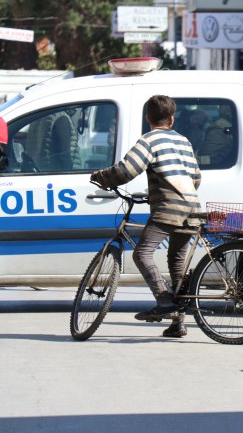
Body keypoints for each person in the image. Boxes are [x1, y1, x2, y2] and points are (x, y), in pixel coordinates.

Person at [90, 95, 201, 339]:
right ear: (171, 118)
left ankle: (164, 300)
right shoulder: (184, 141)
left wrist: (101, 177)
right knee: (177, 263)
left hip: (168, 209)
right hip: (192, 208)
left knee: (142, 253)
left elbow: (126, 170)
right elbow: (196, 177)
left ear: (147, 118)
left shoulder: (149, 140)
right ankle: (177, 323)